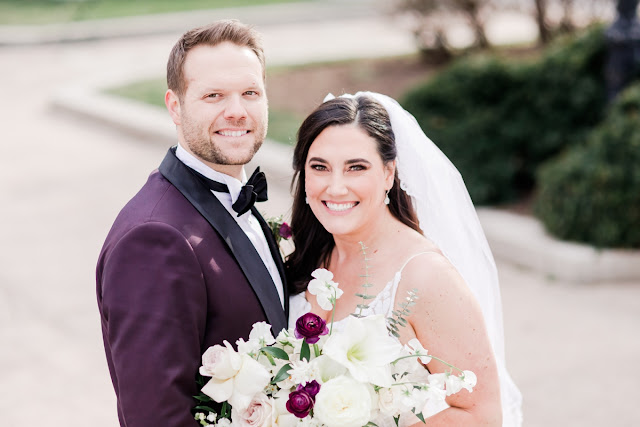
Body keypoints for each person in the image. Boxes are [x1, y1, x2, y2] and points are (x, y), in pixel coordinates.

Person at [286, 92, 522, 426]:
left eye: (356, 168)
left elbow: (483, 415)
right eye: (320, 167)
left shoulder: (425, 277)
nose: (336, 188)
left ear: (388, 173)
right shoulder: (306, 255)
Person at [96, 20, 288, 426]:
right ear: (175, 107)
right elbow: (157, 418)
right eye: (213, 95)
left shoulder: (237, 198)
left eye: (250, 93)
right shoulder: (153, 239)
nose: (236, 111)